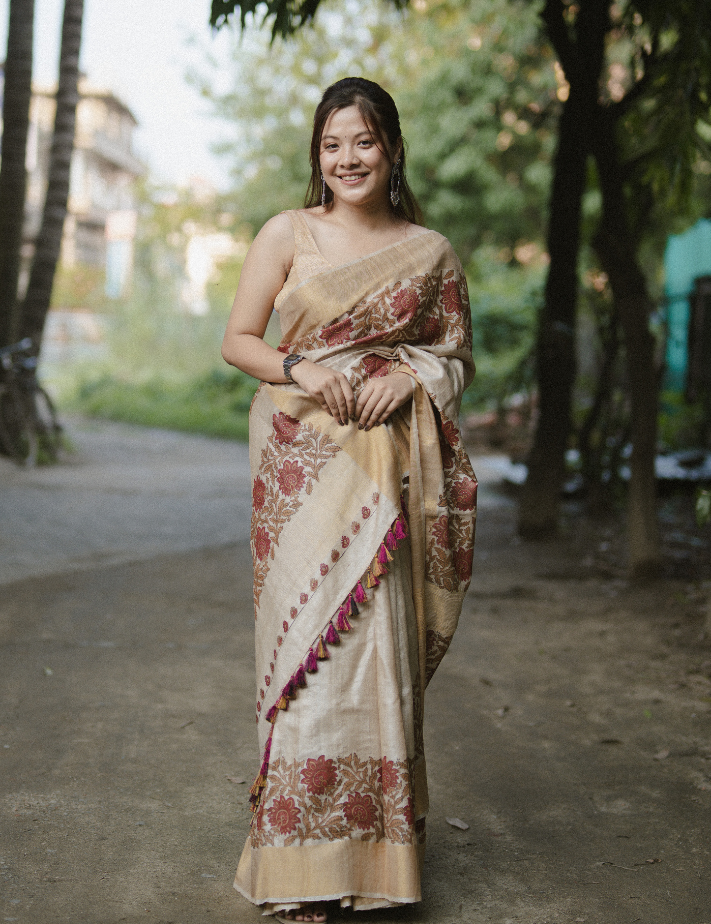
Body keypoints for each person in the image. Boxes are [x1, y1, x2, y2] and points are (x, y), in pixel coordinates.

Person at [222, 77, 477, 922]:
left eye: (363, 142)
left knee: (376, 658)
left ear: (392, 148)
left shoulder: (430, 252)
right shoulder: (287, 234)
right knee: (308, 651)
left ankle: (375, 865)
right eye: (332, 144)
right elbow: (240, 341)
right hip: (302, 469)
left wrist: (408, 374)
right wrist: (306, 368)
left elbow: (454, 356)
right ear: (316, 155)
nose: (347, 159)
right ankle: (298, 869)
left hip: (390, 472)